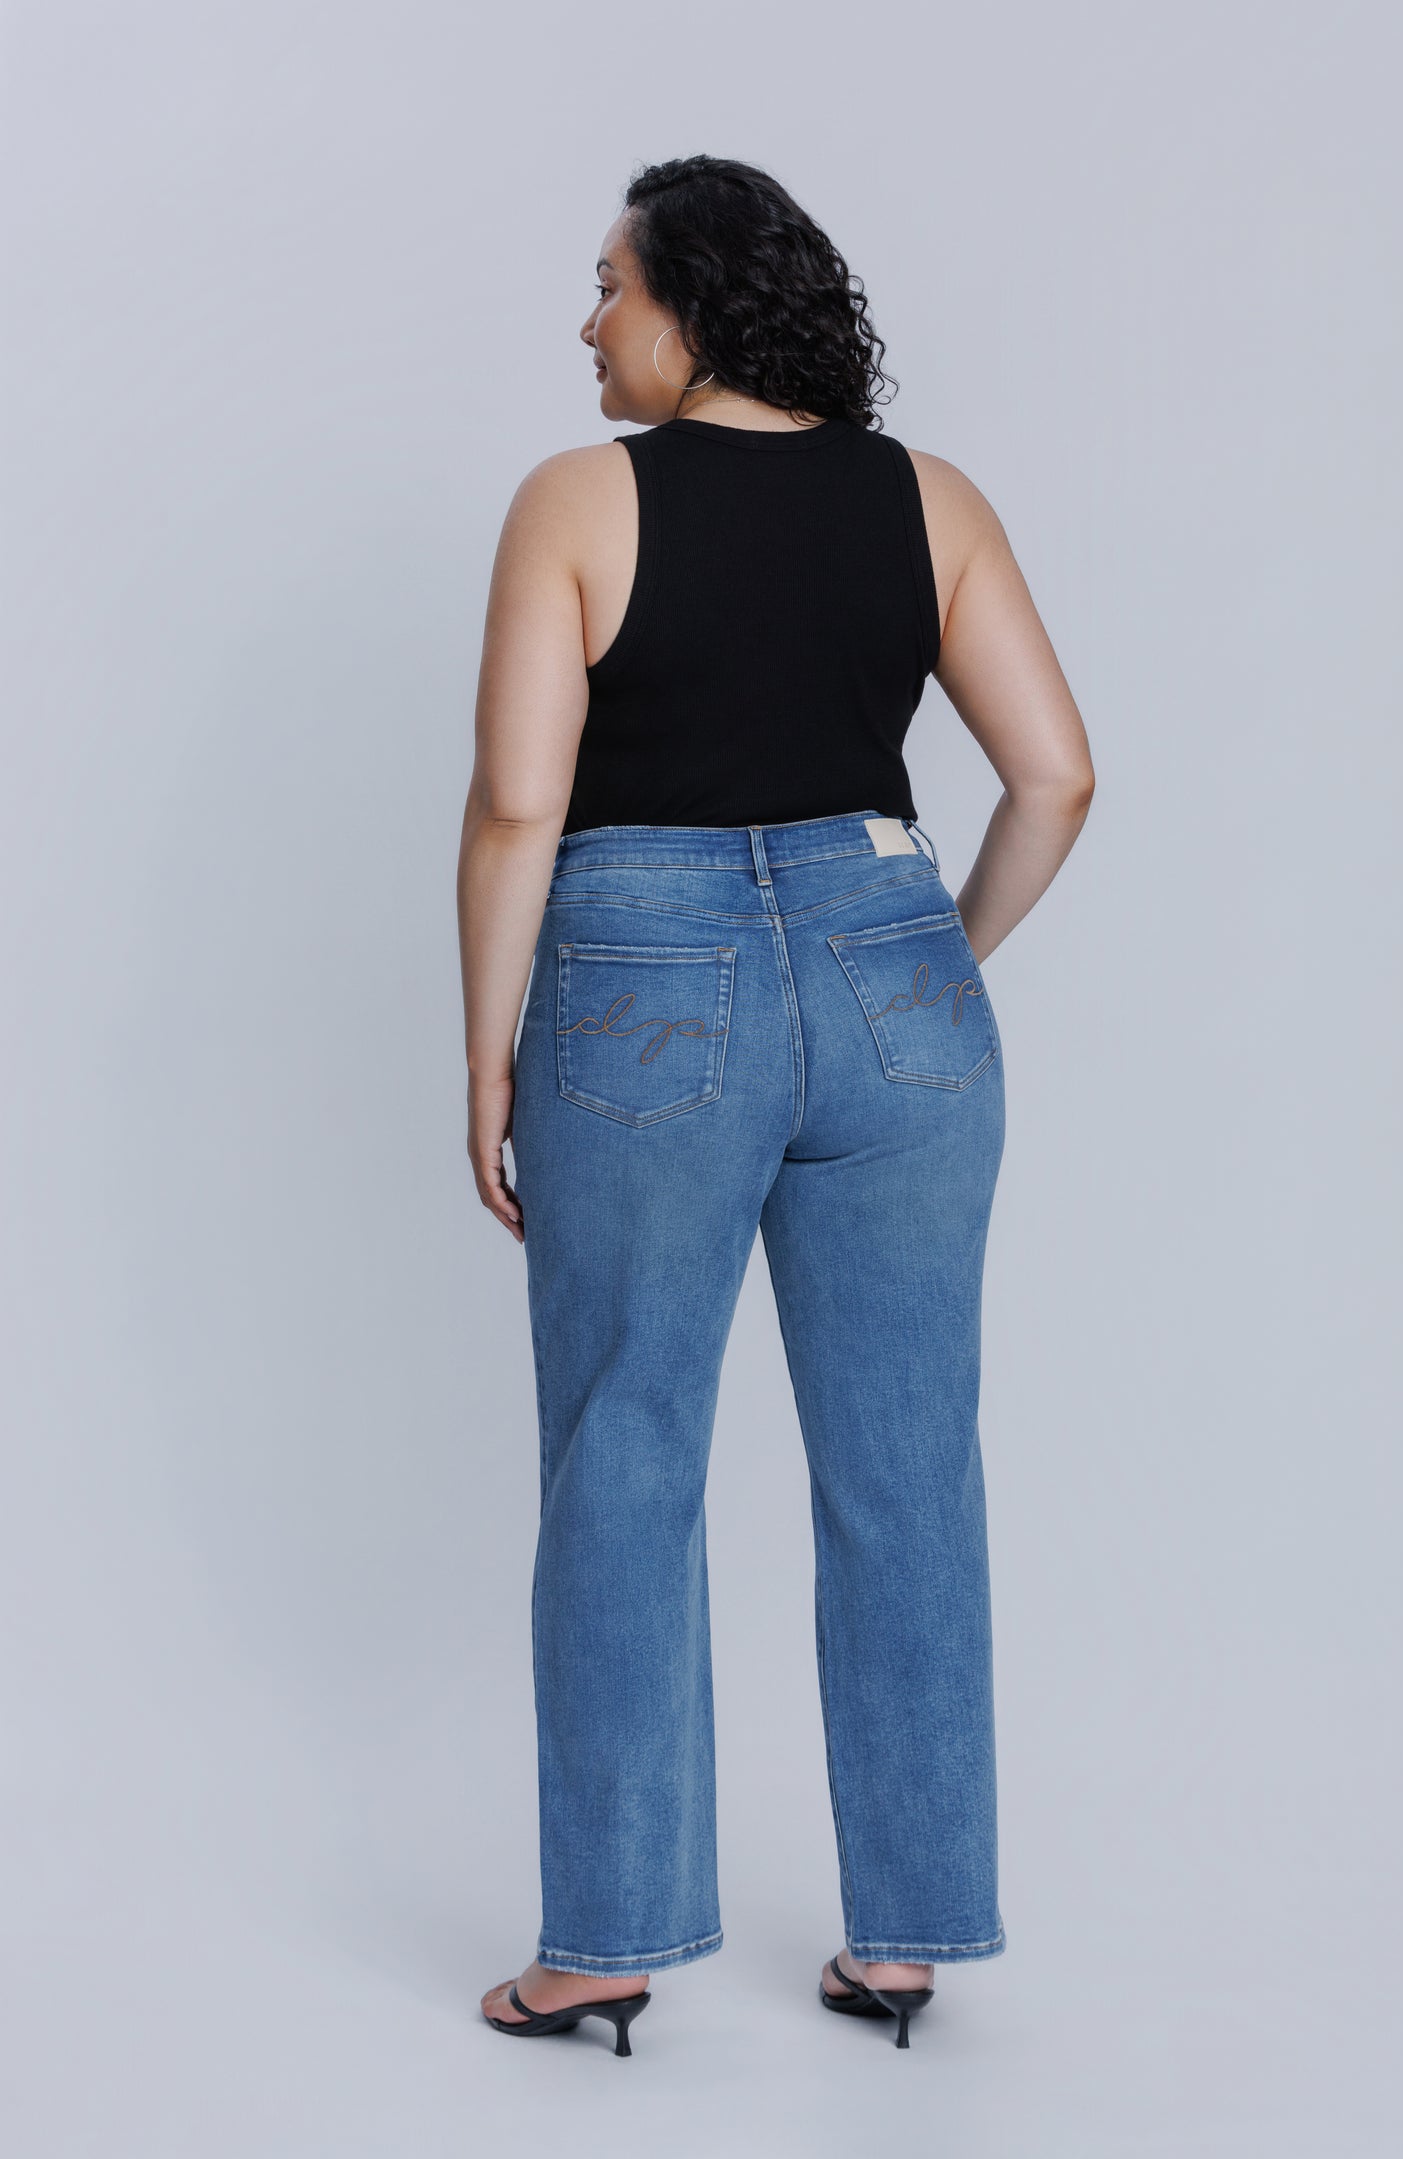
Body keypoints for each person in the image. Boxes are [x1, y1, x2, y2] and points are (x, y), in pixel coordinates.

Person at [457, 154, 1095, 2056]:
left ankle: (604, 1946)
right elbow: (1054, 776)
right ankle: (903, 1940)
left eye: (608, 287)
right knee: (908, 1462)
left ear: (693, 305)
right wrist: (928, 960)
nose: (587, 322)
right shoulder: (933, 496)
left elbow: (517, 807)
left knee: (626, 1452)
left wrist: (487, 1047)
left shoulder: (579, 499)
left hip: (642, 992)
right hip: (899, 963)